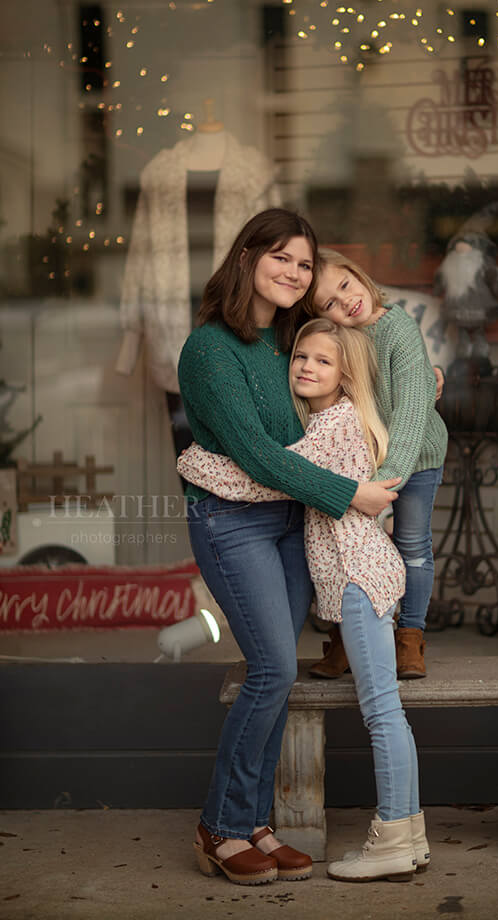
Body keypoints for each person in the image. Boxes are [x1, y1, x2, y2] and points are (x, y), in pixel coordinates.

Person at [178, 209, 400, 886]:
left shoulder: (285, 342)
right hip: (230, 521)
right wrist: (348, 495)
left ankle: (252, 822)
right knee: (273, 669)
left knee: (280, 676)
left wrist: (424, 379)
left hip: (287, 524)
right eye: (283, 258)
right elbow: (255, 454)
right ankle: (220, 825)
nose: (296, 273)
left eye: (304, 265)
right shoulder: (210, 349)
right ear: (246, 256)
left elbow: (348, 370)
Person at [306, 248, 448, 680]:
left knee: (412, 545)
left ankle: (410, 636)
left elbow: (408, 413)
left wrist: (387, 483)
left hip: (416, 456)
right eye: (329, 303)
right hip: (364, 463)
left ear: (358, 274)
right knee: (341, 548)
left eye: (345, 286)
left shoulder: (399, 329)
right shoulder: (340, 339)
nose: (345, 301)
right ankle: (347, 638)